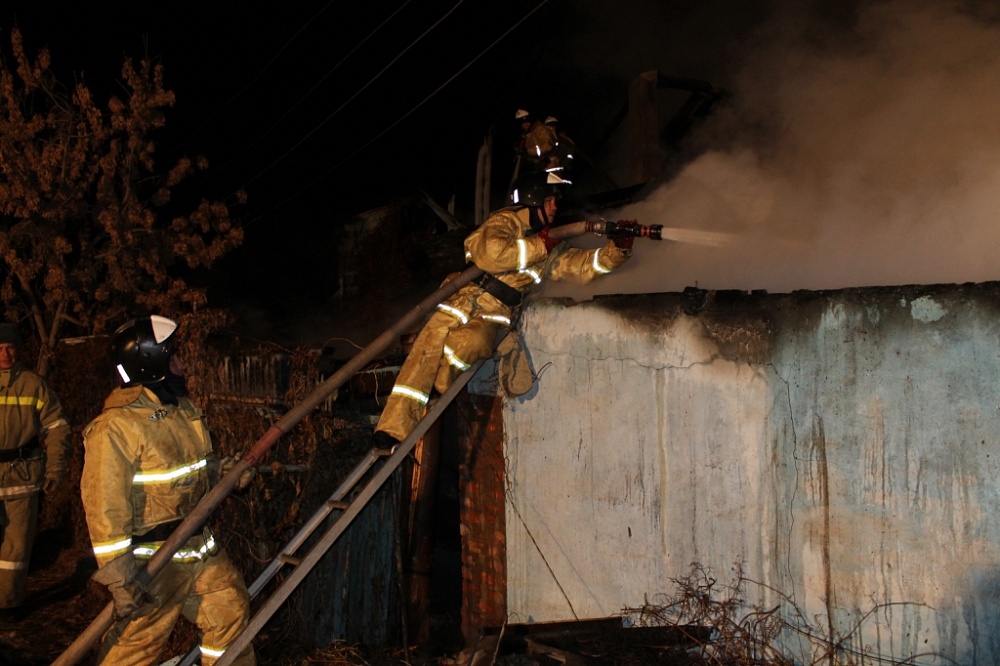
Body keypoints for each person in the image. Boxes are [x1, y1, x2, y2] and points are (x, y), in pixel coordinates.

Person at [372, 171, 635, 445]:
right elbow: (492, 254)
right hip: (463, 298)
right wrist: (540, 244)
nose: (555, 207)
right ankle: (392, 430)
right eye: (549, 201)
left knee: (473, 343)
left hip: (494, 311)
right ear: (533, 201)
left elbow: (584, 267)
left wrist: (618, 249)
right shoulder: (505, 221)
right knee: (424, 353)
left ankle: (438, 386)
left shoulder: (551, 248)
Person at [80, 315, 255, 666]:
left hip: (198, 549)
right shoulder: (115, 427)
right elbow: (104, 506)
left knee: (230, 612)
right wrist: (120, 579)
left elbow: (188, 470)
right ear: (151, 362)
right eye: (173, 355)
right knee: (135, 649)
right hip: (153, 565)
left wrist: (222, 473)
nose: (182, 363)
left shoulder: (180, 409)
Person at [0, 322, 71, 615]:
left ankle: (7, 604)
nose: (5, 353)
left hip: (22, 478)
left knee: (16, 549)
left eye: (10, 347)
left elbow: (58, 427)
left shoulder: (34, 384)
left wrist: (55, 470)